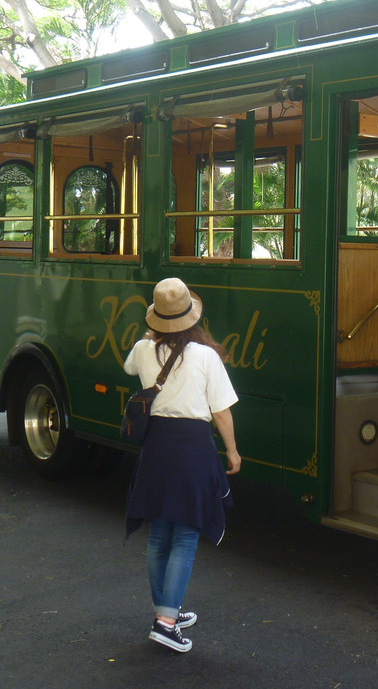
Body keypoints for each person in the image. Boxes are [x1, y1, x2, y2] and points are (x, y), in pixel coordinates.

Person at [123, 277, 241, 653]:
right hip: (192, 446)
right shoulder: (205, 357)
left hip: (156, 446)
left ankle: (164, 611)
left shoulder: (143, 349)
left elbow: (129, 369)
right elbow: (221, 412)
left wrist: (151, 335)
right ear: (191, 318)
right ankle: (167, 622)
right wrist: (233, 452)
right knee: (186, 534)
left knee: (160, 533)